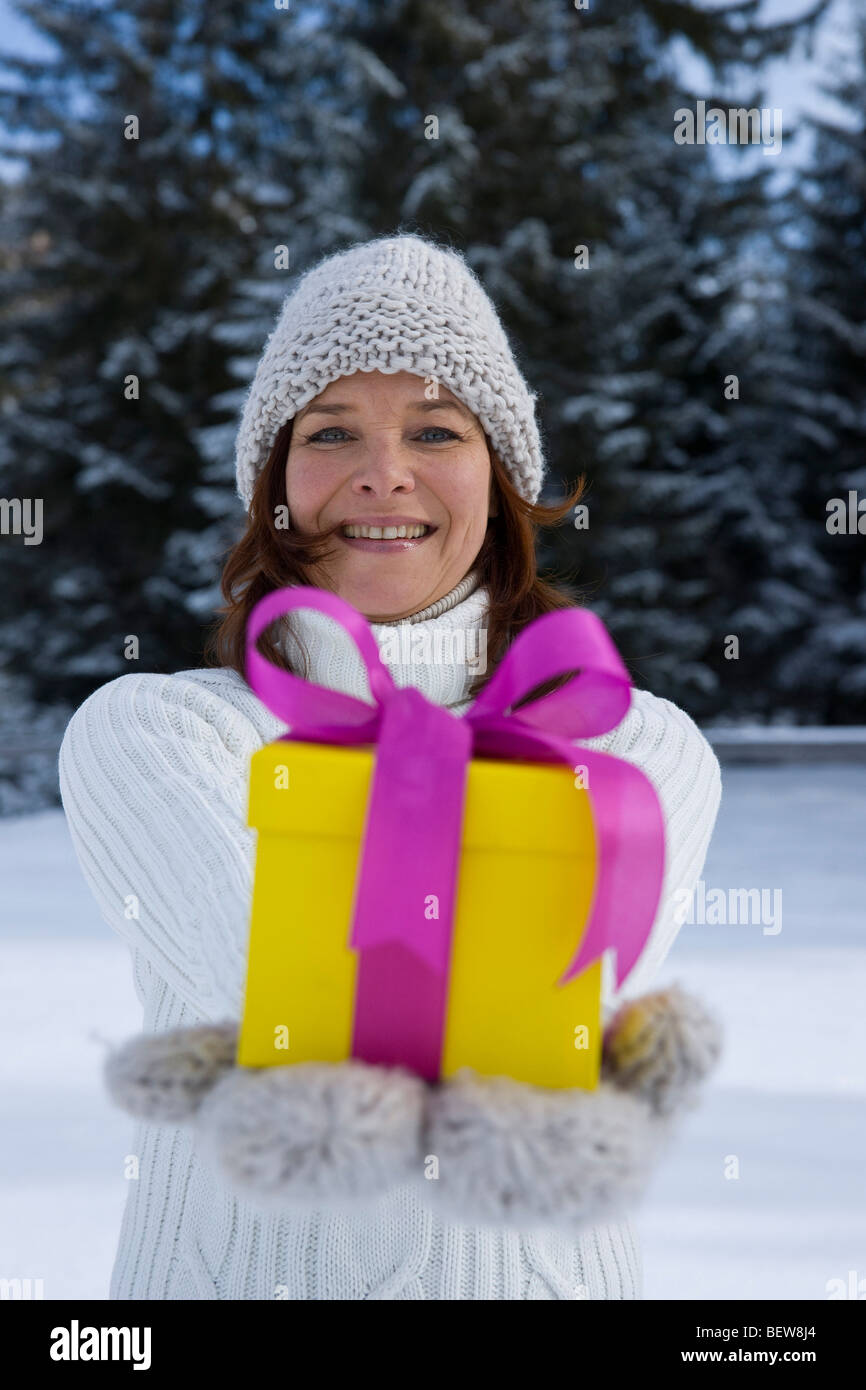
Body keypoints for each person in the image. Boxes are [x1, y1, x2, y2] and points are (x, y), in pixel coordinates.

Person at [58, 232, 721, 1300]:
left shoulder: (633, 745)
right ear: (274, 480)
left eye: (433, 427)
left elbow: (511, 992)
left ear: (498, 479)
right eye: (330, 430)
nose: (383, 471)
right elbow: (318, 997)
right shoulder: (156, 735)